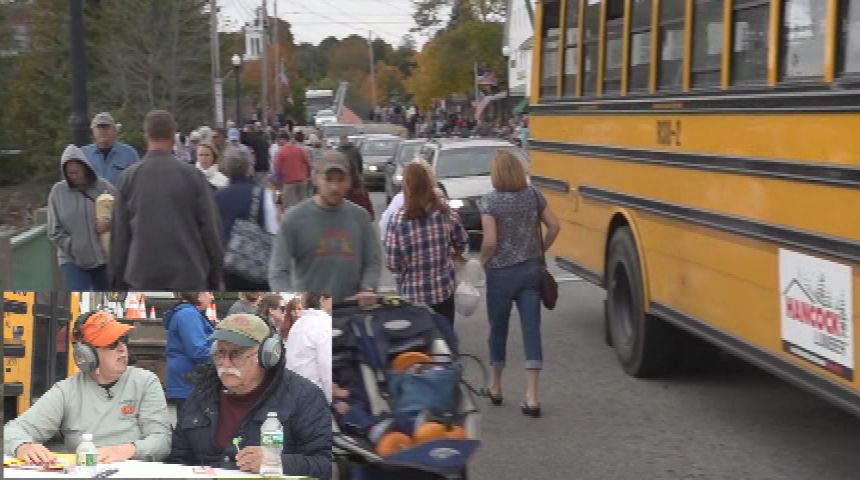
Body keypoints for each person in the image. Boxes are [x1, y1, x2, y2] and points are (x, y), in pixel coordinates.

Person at [167, 314, 331, 478]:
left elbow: (325, 465)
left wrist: (276, 462)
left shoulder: (305, 397)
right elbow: (178, 460)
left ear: (267, 356)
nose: (225, 364)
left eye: (236, 354)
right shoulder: (201, 394)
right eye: (221, 353)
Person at [3, 311, 171, 464]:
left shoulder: (146, 382)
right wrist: (22, 446)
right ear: (85, 354)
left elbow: (162, 441)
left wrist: (127, 450)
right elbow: (13, 430)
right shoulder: (67, 391)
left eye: (123, 340)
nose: (122, 349)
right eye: (112, 343)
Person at [479, 150, 561, 417]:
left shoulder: (489, 202)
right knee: (531, 331)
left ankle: (496, 386)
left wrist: (482, 261)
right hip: (530, 271)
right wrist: (539, 249)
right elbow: (554, 226)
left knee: (498, 329)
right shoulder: (533, 195)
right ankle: (532, 396)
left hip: (500, 275)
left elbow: (490, 241)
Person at [110, 110, 224, 290]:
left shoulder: (127, 179)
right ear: (173, 137)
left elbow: (119, 238)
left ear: (146, 137)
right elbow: (210, 230)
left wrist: (118, 280)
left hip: (142, 276)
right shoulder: (193, 177)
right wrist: (216, 274)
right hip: (189, 274)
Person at [269, 151, 381, 305]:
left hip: (351, 312)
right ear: (315, 179)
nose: (335, 187)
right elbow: (278, 271)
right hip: (312, 312)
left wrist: (368, 288)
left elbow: (373, 260)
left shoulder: (360, 217)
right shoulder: (294, 219)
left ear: (349, 181)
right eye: (328, 180)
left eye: (341, 180)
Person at [385, 163, 467, 324]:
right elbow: (462, 241)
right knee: (445, 339)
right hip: (443, 292)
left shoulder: (398, 220)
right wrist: (450, 257)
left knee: (420, 343)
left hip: (414, 296)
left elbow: (392, 263)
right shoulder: (445, 213)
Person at [47, 144, 116, 290]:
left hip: (102, 257)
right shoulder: (57, 192)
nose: (74, 176)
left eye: (77, 172)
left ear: (86, 167)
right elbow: (53, 230)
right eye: (70, 173)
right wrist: (73, 246)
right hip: (71, 260)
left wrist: (109, 222)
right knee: (79, 300)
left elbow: (121, 212)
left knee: (106, 299)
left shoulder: (103, 187)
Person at [215, 147, 279, 290]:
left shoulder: (217, 196)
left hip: (228, 265)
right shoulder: (262, 194)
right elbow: (273, 230)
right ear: (248, 168)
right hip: (257, 263)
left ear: (226, 170)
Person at [162, 292, 216, 415]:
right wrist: (222, 354)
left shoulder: (188, 314)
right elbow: (198, 351)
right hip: (190, 383)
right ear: (198, 293)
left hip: (187, 382)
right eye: (209, 292)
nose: (212, 297)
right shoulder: (188, 315)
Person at [284, 292, 333, 403]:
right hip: (313, 396)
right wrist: (329, 400)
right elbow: (326, 367)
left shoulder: (298, 324)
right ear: (322, 300)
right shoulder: (324, 324)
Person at [81, 112, 140, 185]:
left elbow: (137, 182)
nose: (103, 131)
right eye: (99, 128)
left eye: (106, 127)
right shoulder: (83, 154)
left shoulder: (129, 154)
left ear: (115, 130)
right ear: (93, 131)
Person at [272, 131, 311, 211]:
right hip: (302, 181)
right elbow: (308, 164)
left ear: (283, 139)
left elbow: (278, 170)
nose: (278, 143)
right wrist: (308, 176)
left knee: (289, 207)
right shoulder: (299, 149)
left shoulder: (281, 152)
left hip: (289, 182)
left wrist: (278, 184)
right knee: (303, 205)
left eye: (278, 140)